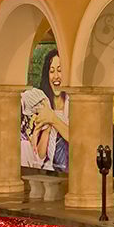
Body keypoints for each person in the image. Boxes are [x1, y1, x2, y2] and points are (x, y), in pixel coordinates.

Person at [19, 42, 69, 172]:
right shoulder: (42, 102)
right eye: (52, 71)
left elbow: (77, 139)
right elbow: (41, 154)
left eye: (60, 70)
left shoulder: (74, 104)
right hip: (49, 172)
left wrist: (52, 118)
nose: (56, 76)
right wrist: (46, 128)